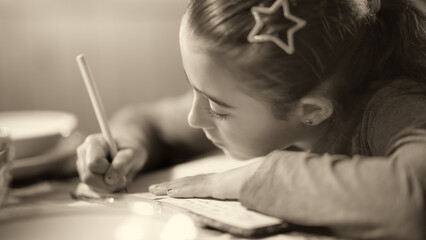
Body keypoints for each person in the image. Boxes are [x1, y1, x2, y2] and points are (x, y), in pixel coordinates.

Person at [76, 0, 426, 239]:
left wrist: (247, 180)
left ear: (312, 111)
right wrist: (126, 145)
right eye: (193, 89)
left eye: (218, 109)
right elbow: (149, 121)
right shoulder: (263, 90)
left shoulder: (397, 108)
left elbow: (412, 199)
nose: (194, 117)